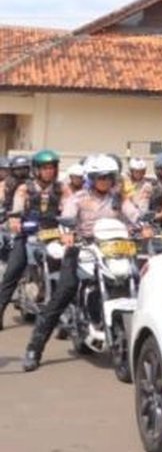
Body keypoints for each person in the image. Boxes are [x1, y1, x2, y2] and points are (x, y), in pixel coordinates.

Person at [23, 154, 140, 372]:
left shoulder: (118, 198)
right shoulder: (77, 198)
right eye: (100, 177)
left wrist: (144, 224)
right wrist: (67, 233)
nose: (105, 180)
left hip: (113, 250)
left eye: (108, 177)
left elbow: (133, 213)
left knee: (138, 280)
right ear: (91, 178)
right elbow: (67, 217)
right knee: (64, 291)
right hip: (81, 248)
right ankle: (34, 349)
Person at [0, 150, 69, 330]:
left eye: (52, 168)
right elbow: (17, 207)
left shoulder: (62, 188)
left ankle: (67, 313)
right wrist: (15, 221)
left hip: (53, 234)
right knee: (12, 271)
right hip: (28, 234)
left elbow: (69, 209)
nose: (49, 171)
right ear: (37, 170)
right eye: (45, 168)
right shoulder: (25, 188)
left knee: (68, 270)